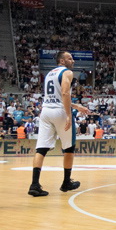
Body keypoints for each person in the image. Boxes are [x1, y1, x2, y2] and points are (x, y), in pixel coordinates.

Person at [28, 50, 90, 197]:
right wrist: (68, 114)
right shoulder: (67, 72)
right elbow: (65, 93)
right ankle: (66, 182)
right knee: (69, 148)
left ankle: (34, 184)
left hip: (46, 112)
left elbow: (56, 97)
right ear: (62, 61)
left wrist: (76, 106)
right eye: (70, 58)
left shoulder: (49, 74)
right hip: (60, 112)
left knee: (41, 148)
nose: (73, 61)